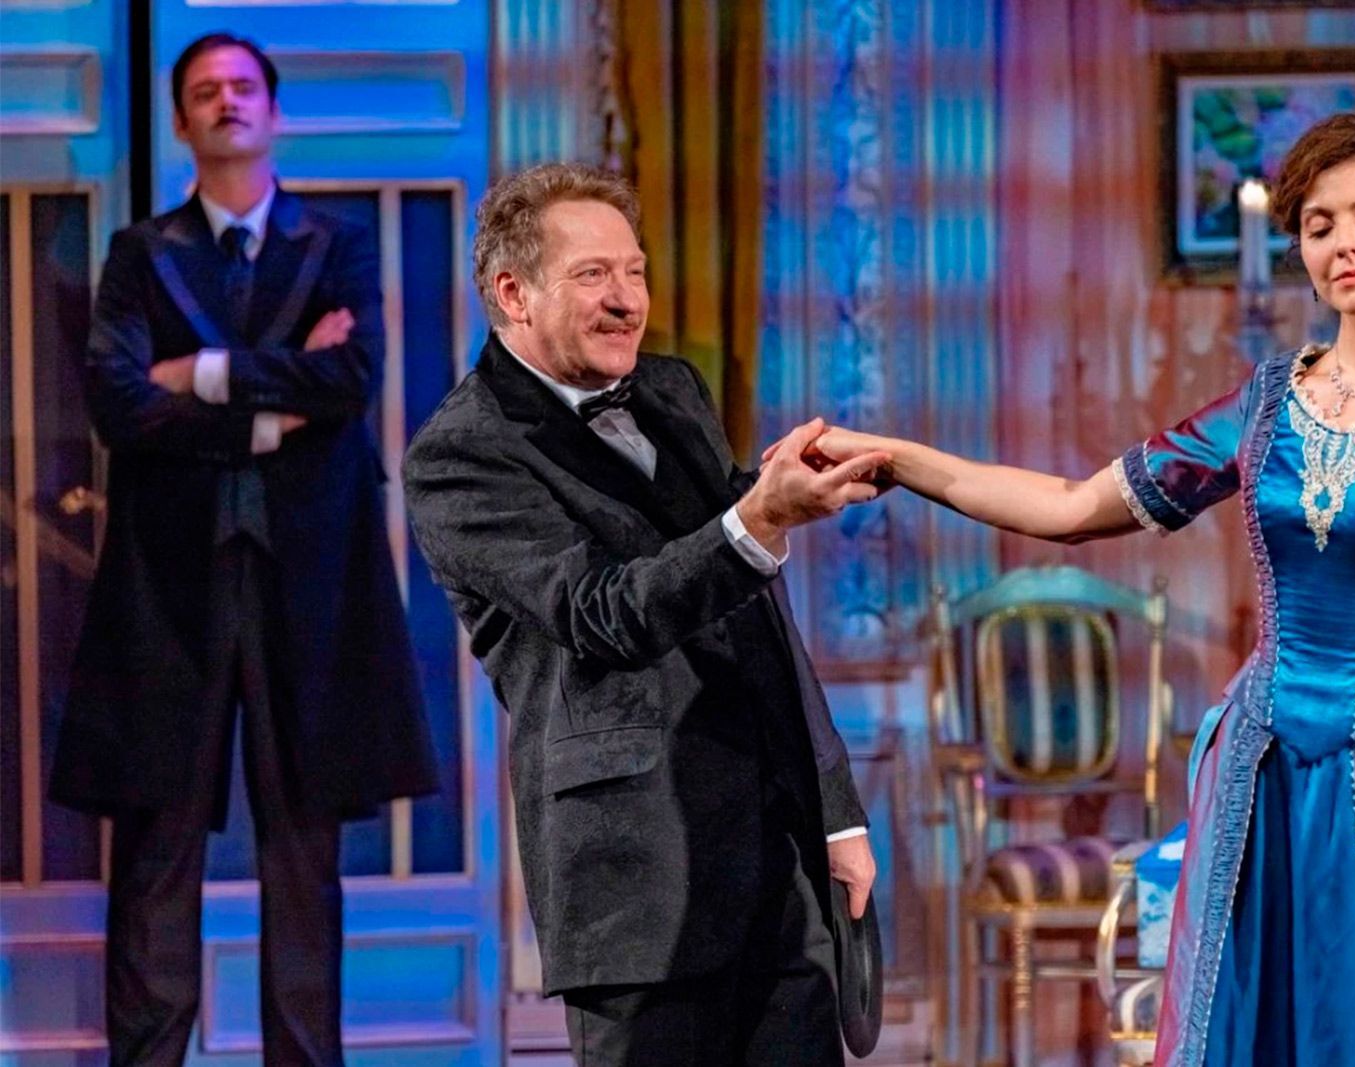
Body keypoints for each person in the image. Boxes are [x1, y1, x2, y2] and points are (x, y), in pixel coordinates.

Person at [809, 114, 1355, 1065]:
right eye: (1320, 224)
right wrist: (898, 459)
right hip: (1259, 783)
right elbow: (1072, 504)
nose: (1344, 242)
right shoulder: (1267, 402)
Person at [402, 163, 882, 1067]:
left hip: (776, 867)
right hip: (635, 891)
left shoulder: (672, 390)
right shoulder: (459, 454)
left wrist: (836, 812)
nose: (627, 300)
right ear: (513, 293)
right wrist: (760, 516)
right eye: (593, 275)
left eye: (636, 271)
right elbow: (604, 612)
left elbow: (757, 616)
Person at [49, 32, 439, 1067]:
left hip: (308, 579)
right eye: (206, 91)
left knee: (304, 849)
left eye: (242, 86)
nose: (226, 101)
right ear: (182, 120)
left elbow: (349, 379)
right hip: (166, 586)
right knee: (156, 847)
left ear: (273, 110)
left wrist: (201, 375)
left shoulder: (336, 244)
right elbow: (120, 405)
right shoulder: (141, 253)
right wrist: (273, 405)